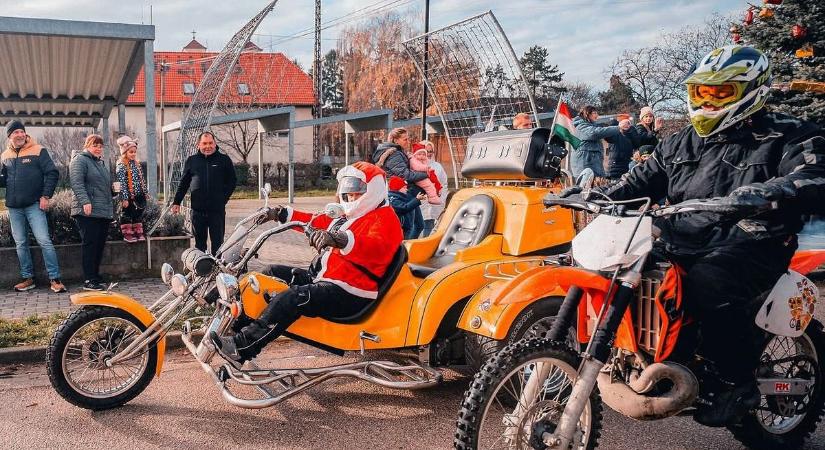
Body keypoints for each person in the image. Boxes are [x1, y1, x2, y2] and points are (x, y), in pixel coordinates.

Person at [561, 45, 825, 427]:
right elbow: (638, 182)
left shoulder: (790, 134)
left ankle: (736, 381)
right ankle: (649, 352)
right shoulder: (680, 141)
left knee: (708, 284)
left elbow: (815, 175)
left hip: (753, 240)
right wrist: (593, 195)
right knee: (617, 268)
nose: (708, 101)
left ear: (752, 91)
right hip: (684, 236)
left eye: (720, 93)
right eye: (701, 92)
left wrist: (766, 192)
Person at [209, 162, 404, 367]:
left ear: (373, 190)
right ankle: (239, 327)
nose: (352, 198)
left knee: (293, 298)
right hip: (327, 278)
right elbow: (316, 222)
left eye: (357, 193)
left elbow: (376, 248)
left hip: (352, 291)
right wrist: (282, 214)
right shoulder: (352, 215)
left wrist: (342, 240)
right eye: (349, 193)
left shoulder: (386, 219)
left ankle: (241, 348)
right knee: (269, 272)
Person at [0, 120, 65, 293]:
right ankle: (28, 278)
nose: (20, 135)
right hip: (14, 208)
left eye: (22, 131)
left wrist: (46, 196)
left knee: (44, 241)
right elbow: (3, 180)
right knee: (20, 243)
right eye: (16, 132)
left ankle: (55, 278)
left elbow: (52, 173)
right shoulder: (5, 155)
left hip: (34, 205)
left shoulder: (38, 150)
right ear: (9, 136)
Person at [171, 131, 237, 254]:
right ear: (198, 145)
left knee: (218, 245)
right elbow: (184, 183)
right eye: (204, 143)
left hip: (216, 211)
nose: (208, 146)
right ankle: (201, 271)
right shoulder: (192, 160)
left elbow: (232, 181)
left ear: (215, 143)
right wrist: (176, 202)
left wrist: (223, 199)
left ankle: (216, 271)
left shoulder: (224, 160)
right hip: (197, 211)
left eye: (210, 143)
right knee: (199, 245)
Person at [70, 134, 115, 291]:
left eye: (101, 146)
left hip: (101, 211)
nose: (98, 148)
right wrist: (85, 202)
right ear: (87, 145)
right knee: (90, 245)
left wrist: (112, 191)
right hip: (87, 211)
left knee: (99, 245)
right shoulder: (80, 160)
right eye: (95, 145)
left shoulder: (100, 164)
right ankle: (89, 279)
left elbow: (101, 187)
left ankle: (95, 276)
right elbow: (77, 183)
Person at [371, 127, 428, 238]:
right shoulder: (394, 154)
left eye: (408, 138)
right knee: (409, 226)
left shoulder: (398, 152)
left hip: (405, 191)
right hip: (400, 192)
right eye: (405, 139)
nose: (408, 141)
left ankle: (407, 249)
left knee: (418, 225)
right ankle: (404, 250)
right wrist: (426, 174)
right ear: (396, 140)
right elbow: (405, 174)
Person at [571, 106, 631, 178]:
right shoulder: (581, 127)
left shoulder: (591, 126)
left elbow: (602, 132)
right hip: (584, 168)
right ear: (587, 114)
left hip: (593, 167)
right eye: (594, 113)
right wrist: (618, 127)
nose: (597, 115)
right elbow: (594, 133)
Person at [115, 136, 147, 243]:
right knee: (127, 214)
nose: (133, 154)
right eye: (131, 152)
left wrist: (145, 192)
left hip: (138, 195)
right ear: (125, 153)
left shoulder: (137, 164)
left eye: (134, 152)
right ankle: (127, 234)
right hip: (128, 196)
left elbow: (141, 178)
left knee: (138, 214)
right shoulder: (121, 165)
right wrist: (124, 198)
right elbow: (122, 183)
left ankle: (138, 232)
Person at [418, 140, 449, 236]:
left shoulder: (437, 166)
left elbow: (444, 183)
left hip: (434, 203)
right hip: (420, 202)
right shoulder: (416, 165)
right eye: (427, 151)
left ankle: (424, 246)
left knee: (430, 225)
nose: (429, 154)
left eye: (431, 151)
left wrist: (442, 197)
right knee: (417, 227)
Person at [605, 114, 641, 180]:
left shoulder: (630, 133)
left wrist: (632, 131)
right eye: (624, 122)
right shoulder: (616, 133)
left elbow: (637, 144)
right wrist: (615, 125)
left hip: (627, 166)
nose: (627, 125)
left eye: (628, 123)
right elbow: (608, 136)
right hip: (615, 167)